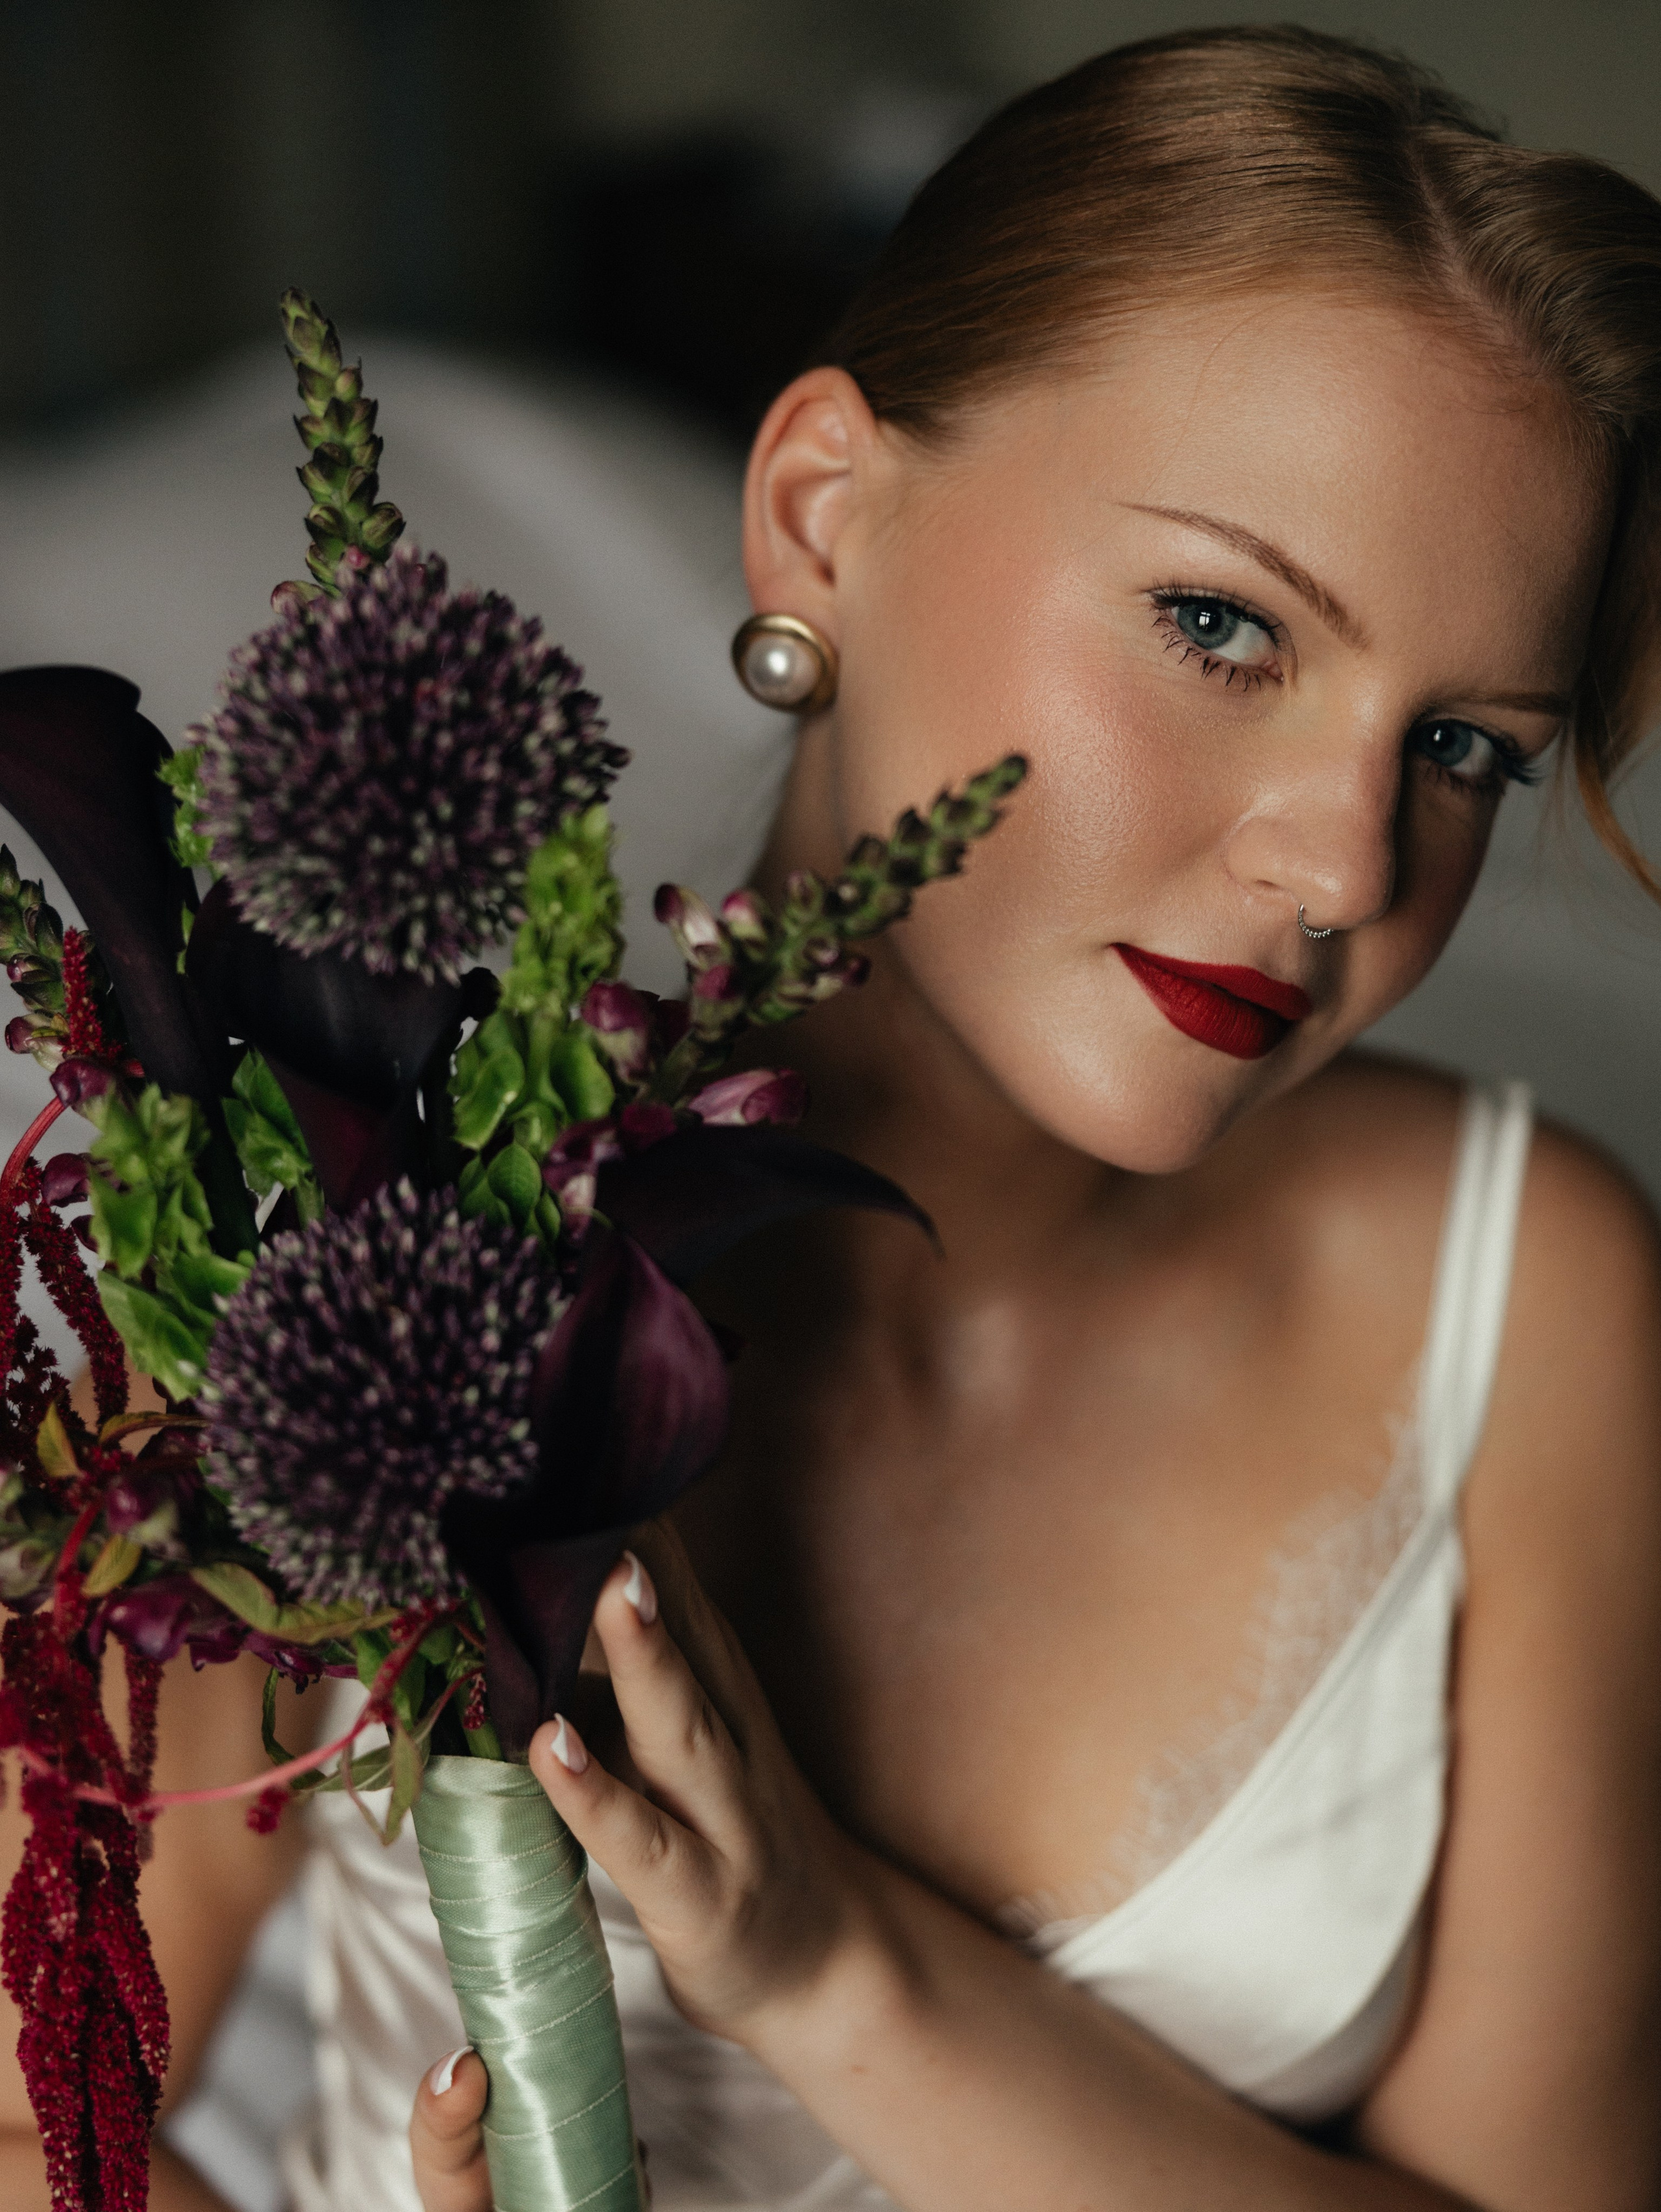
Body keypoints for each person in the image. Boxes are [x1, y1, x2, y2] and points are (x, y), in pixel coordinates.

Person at [8, 24, 1661, 2211]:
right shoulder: (353, 1258)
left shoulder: (1529, 1300)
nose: (1346, 861)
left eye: (1465, 748)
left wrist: (831, 1960)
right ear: (820, 514)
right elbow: (44, 2135)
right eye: (1219, 624)